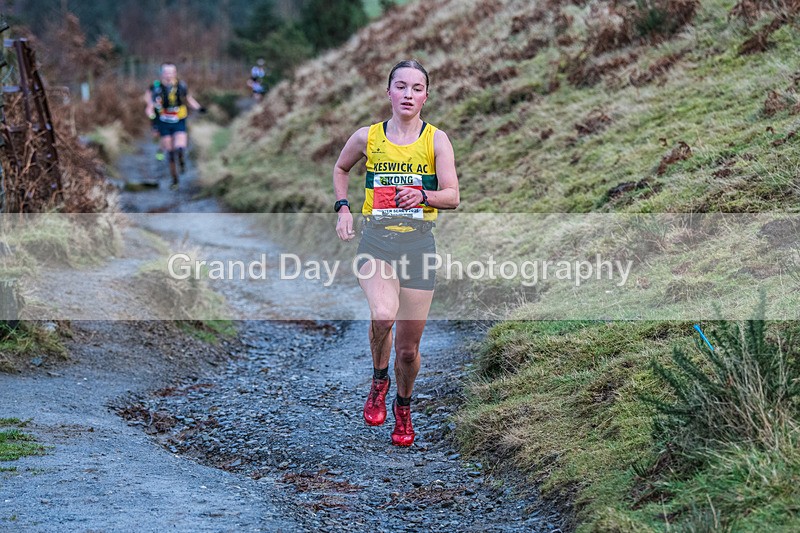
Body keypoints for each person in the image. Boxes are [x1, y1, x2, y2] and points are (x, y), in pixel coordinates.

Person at [333, 60, 460, 446]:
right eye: (401, 86)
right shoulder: (367, 137)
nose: (408, 94)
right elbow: (341, 169)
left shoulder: (436, 140)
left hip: (418, 246)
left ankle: (403, 407)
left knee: (407, 351)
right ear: (388, 92)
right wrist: (343, 208)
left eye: (416, 88)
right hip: (376, 242)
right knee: (383, 314)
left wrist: (422, 195)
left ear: (426, 96)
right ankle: (378, 380)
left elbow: (452, 196)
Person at [144, 63, 204, 189]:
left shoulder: (181, 86)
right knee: (170, 153)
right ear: (162, 74)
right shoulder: (156, 88)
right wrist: (152, 118)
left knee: (180, 148)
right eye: (166, 72)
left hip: (179, 121)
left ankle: (182, 162)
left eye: (171, 72)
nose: (169, 75)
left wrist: (199, 108)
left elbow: (188, 99)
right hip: (164, 123)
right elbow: (149, 107)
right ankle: (174, 180)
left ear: (175, 73)